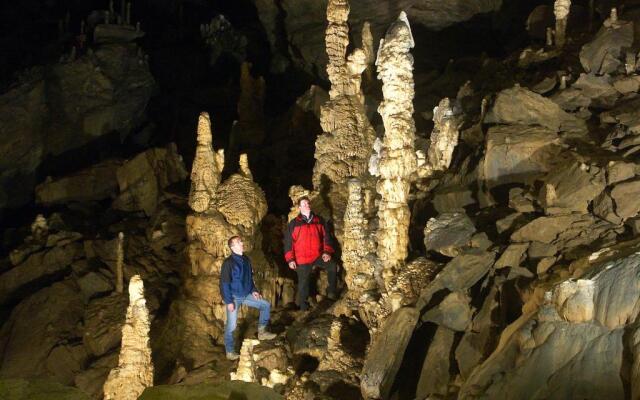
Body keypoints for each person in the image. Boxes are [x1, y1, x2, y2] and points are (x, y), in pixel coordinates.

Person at [220, 235, 276, 360]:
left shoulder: (246, 259)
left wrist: (254, 290)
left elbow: (249, 278)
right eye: (239, 242)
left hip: (246, 294)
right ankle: (230, 352)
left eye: (241, 241)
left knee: (265, 305)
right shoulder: (228, 263)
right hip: (234, 297)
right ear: (233, 246)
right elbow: (224, 283)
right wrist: (229, 301)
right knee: (231, 325)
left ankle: (262, 332)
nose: (242, 243)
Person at [284, 196, 338, 311]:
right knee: (303, 284)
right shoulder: (294, 224)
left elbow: (326, 237)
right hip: (302, 258)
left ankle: (332, 292)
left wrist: (327, 252)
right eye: (303, 204)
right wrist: (290, 259)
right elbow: (288, 243)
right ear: (299, 207)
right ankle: (304, 307)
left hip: (317, 255)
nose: (306, 206)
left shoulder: (319, 220)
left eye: (308, 203)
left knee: (332, 265)